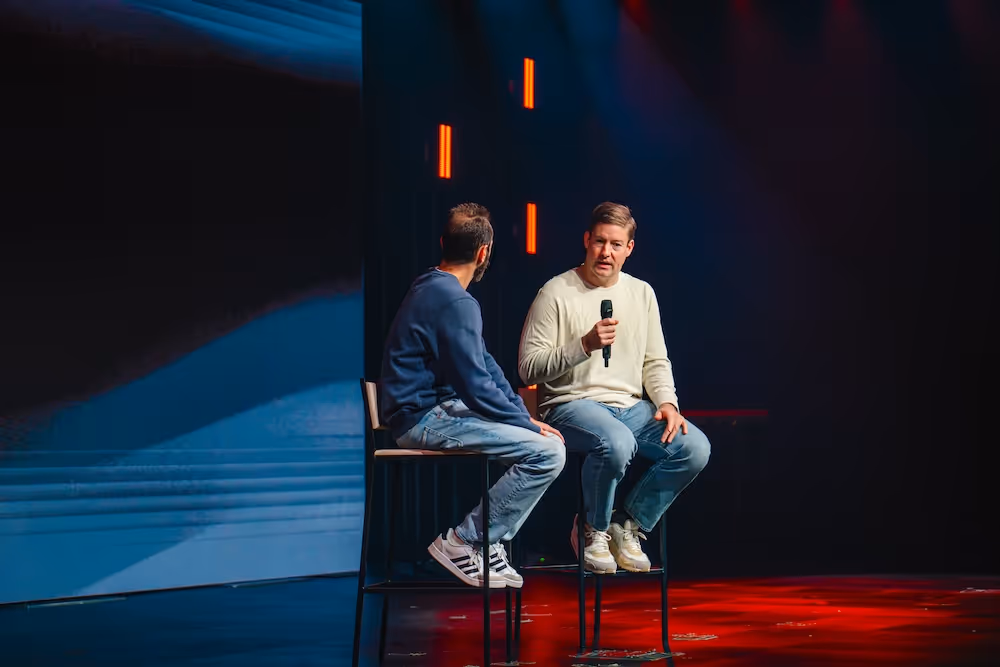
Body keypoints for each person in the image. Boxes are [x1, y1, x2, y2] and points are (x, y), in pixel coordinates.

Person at [517, 202, 710, 574]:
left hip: (631, 407)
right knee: (616, 442)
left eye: (616, 244)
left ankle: (627, 524)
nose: (606, 252)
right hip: (572, 403)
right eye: (600, 242)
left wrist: (668, 401)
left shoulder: (642, 294)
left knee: (695, 448)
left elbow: (655, 360)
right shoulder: (556, 292)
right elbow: (528, 367)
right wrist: (583, 345)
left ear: (629, 248)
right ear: (587, 240)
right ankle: (593, 528)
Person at [380, 203, 566, 589]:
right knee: (548, 452)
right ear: (484, 252)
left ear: (444, 243)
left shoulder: (433, 285)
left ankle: (486, 542)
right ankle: (466, 541)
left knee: (538, 443)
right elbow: (475, 386)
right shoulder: (454, 300)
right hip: (422, 419)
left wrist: (523, 418)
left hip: (436, 410)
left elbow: (487, 368)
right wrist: (523, 422)